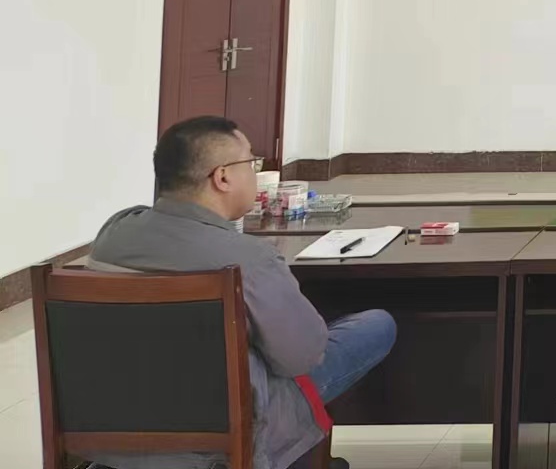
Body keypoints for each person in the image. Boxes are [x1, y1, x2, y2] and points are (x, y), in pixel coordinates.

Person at [88, 117, 397, 469]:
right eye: (251, 162)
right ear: (222, 177)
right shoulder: (248, 260)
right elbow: (301, 359)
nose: (255, 172)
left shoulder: (113, 234)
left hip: (118, 417)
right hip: (224, 424)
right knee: (375, 326)